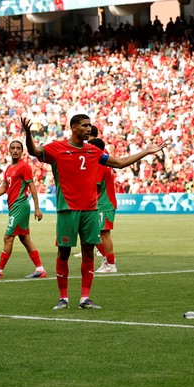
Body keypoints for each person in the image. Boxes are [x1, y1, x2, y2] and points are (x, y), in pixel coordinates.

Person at [21, 115, 166, 310]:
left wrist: (146, 152)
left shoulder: (94, 151)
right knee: (63, 253)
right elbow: (34, 151)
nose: (89, 129)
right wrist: (29, 135)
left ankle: (85, 298)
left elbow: (120, 163)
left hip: (90, 210)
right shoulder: (57, 148)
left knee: (89, 252)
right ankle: (63, 298)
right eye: (85, 126)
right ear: (73, 127)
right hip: (67, 209)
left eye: (90, 126)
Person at [0, 140, 46, 279]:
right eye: (13, 148)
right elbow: (4, 188)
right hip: (14, 206)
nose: (15, 150)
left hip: (20, 205)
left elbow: (32, 187)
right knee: (25, 238)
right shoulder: (9, 168)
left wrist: (37, 208)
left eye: (18, 148)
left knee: (8, 237)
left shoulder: (24, 167)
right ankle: (40, 269)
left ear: (22, 151)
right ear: (9, 151)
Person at [89, 138, 118, 273]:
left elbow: (95, 185)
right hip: (102, 203)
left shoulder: (100, 164)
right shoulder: (104, 161)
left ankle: (111, 264)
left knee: (103, 234)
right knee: (94, 233)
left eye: (90, 147)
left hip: (104, 204)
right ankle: (108, 260)